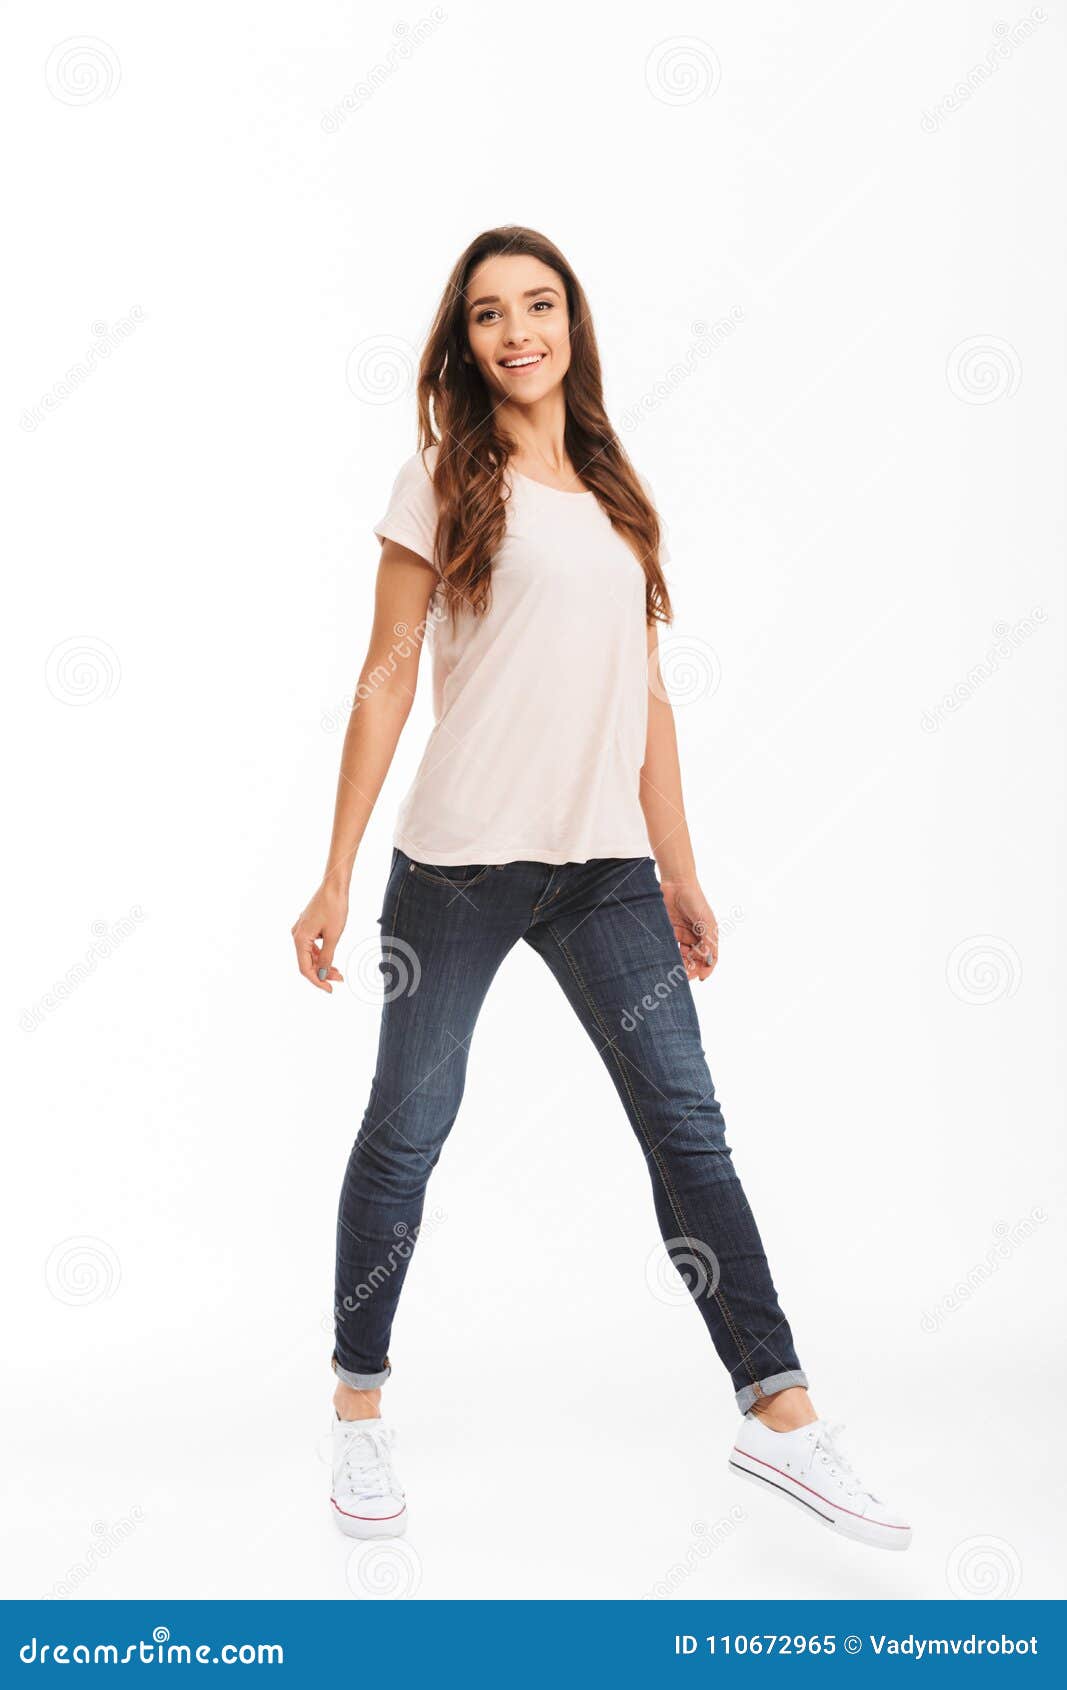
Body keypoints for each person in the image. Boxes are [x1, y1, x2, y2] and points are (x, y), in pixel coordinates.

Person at [291, 226, 911, 1554]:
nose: (519, 332)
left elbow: (650, 702)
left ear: (574, 323)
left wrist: (682, 870)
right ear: (463, 343)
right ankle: (357, 1406)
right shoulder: (443, 480)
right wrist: (337, 869)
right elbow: (387, 675)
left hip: (606, 871)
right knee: (409, 1127)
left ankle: (782, 1415)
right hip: (457, 865)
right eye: (489, 315)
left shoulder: (619, 497)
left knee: (688, 1124)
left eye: (541, 305)